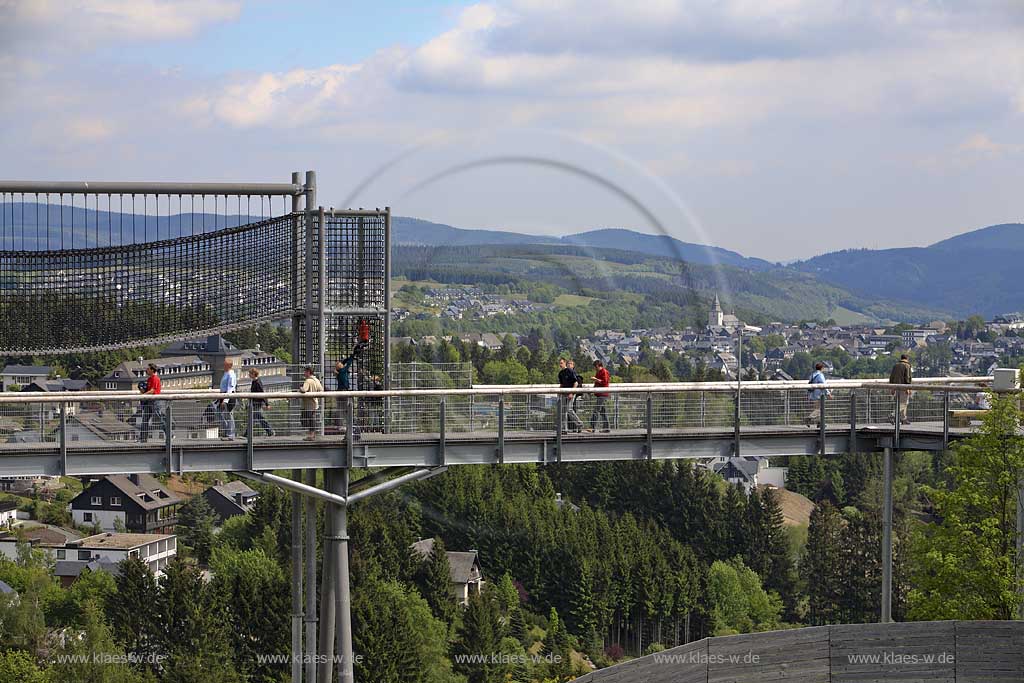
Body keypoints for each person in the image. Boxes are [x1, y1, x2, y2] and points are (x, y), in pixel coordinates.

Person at [139, 363, 168, 443]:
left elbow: (152, 390)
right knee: (145, 419)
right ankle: (142, 439)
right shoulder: (149, 379)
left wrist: (144, 395)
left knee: (159, 419)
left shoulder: (155, 378)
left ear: (152, 370)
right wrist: (142, 390)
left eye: (148, 369)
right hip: (149, 401)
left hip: (155, 401)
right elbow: (148, 390)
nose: (146, 370)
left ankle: (169, 435)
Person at [557, 358, 583, 433]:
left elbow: (576, 383)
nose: (560, 365)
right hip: (564, 394)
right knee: (563, 411)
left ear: (565, 363)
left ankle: (579, 424)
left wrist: (571, 392)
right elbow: (562, 384)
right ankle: (564, 429)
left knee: (569, 409)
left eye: (561, 363)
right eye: (560, 363)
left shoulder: (570, 371)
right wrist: (559, 392)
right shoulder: (561, 373)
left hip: (571, 393)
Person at [300, 366, 325, 441]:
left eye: (305, 371)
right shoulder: (316, 380)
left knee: (304, 419)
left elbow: (304, 390)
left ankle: (311, 435)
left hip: (308, 405)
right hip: (314, 404)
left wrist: (301, 388)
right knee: (312, 419)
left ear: (308, 372)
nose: (304, 373)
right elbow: (321, 390)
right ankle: (312, 434)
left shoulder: (308, 381)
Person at [248, 368, 274, 437]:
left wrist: (267, 404)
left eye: (250, 373)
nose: (249, 375)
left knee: (258, 418)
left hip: (257, 403)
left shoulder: (257, 382)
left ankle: (270, 431)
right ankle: (269, 431)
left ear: (253, 374)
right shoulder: (254, 381)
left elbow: (262, 393)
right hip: (254, 403)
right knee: (255, 418)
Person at [888, 354, 913, 425]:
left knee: (900, 402)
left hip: (896, 387)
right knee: (904, 403)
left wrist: (892, 388)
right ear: (907, 359)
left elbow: (891, 377)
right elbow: (907, 378)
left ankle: (903, 418)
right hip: (903, 387)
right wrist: (908, 388)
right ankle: (892, 415)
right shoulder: (907, 365)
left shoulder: (896, 365)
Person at [216, 358, 237, 440]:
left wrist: (225, 400)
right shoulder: (226, 373)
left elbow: (230, 389)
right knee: (218, 412)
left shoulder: (231, 375)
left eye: (224, 365)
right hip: (223, 396)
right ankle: (227, 430)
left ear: (228, 365)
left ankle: (230, 434)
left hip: (229, 397)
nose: (223, 366)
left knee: (229, 415)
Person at [588, 359, 611, 433]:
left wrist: (596, 379)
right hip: (599, 394)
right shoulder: (599, 372)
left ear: (598, 366)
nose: (595, 368)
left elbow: (605, 382)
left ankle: (592, 427)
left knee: (596, 410)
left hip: (602, 394)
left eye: (595, 367)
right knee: (603, 412)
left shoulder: (604, 371)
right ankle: (606, 428)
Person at [805, 362, 831, 427]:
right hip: (820, 395)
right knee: (820, 409)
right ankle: (809, 418)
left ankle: (820, 423)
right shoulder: (820, 375)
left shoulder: (813, 374)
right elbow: (824, 385)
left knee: (818, 409)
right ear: (822, 368)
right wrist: (828, 394)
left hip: (813, 395)